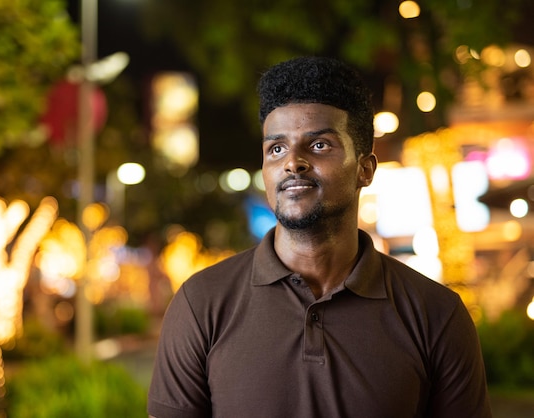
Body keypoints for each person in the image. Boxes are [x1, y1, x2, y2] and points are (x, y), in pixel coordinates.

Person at [147, 56, 492, 418]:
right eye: (276, 148)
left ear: (365, 169)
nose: (292, 162)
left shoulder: (436, 314)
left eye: (319, 145)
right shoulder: (200, 305)